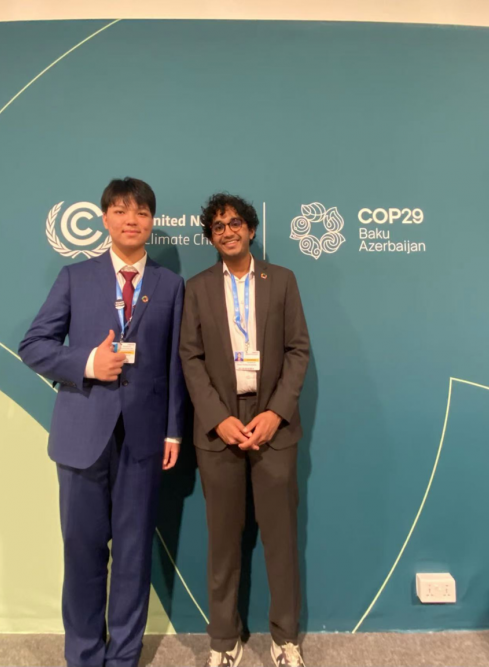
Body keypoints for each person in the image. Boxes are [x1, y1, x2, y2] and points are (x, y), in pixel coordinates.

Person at [19, 177, 185, 667]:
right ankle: (85, 655)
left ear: (151, 221)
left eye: (141, 212)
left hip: (144, 440)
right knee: (83, 554)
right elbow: (34, 345)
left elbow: (176, 365)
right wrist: (89, 363)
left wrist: (173, 429)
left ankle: (124, 656)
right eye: (121, 210)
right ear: (105, 218)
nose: (132, 220)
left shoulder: (170, 285)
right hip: (81, 438)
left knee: (133, 556)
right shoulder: (75, 276)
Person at [179, 193, 310, 667]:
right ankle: (223, 640)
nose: (227, 231)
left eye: (235, 223)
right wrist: (218, 417)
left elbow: (298, 350)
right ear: (211, 238)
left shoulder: (283, 281)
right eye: (218, 226)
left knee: (281, 539)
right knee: (222, 541)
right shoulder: (197, 288)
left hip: (273, 423)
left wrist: (276, 413)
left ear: (251, 229)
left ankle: (285, 637)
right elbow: (190, 357)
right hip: (221, 427)